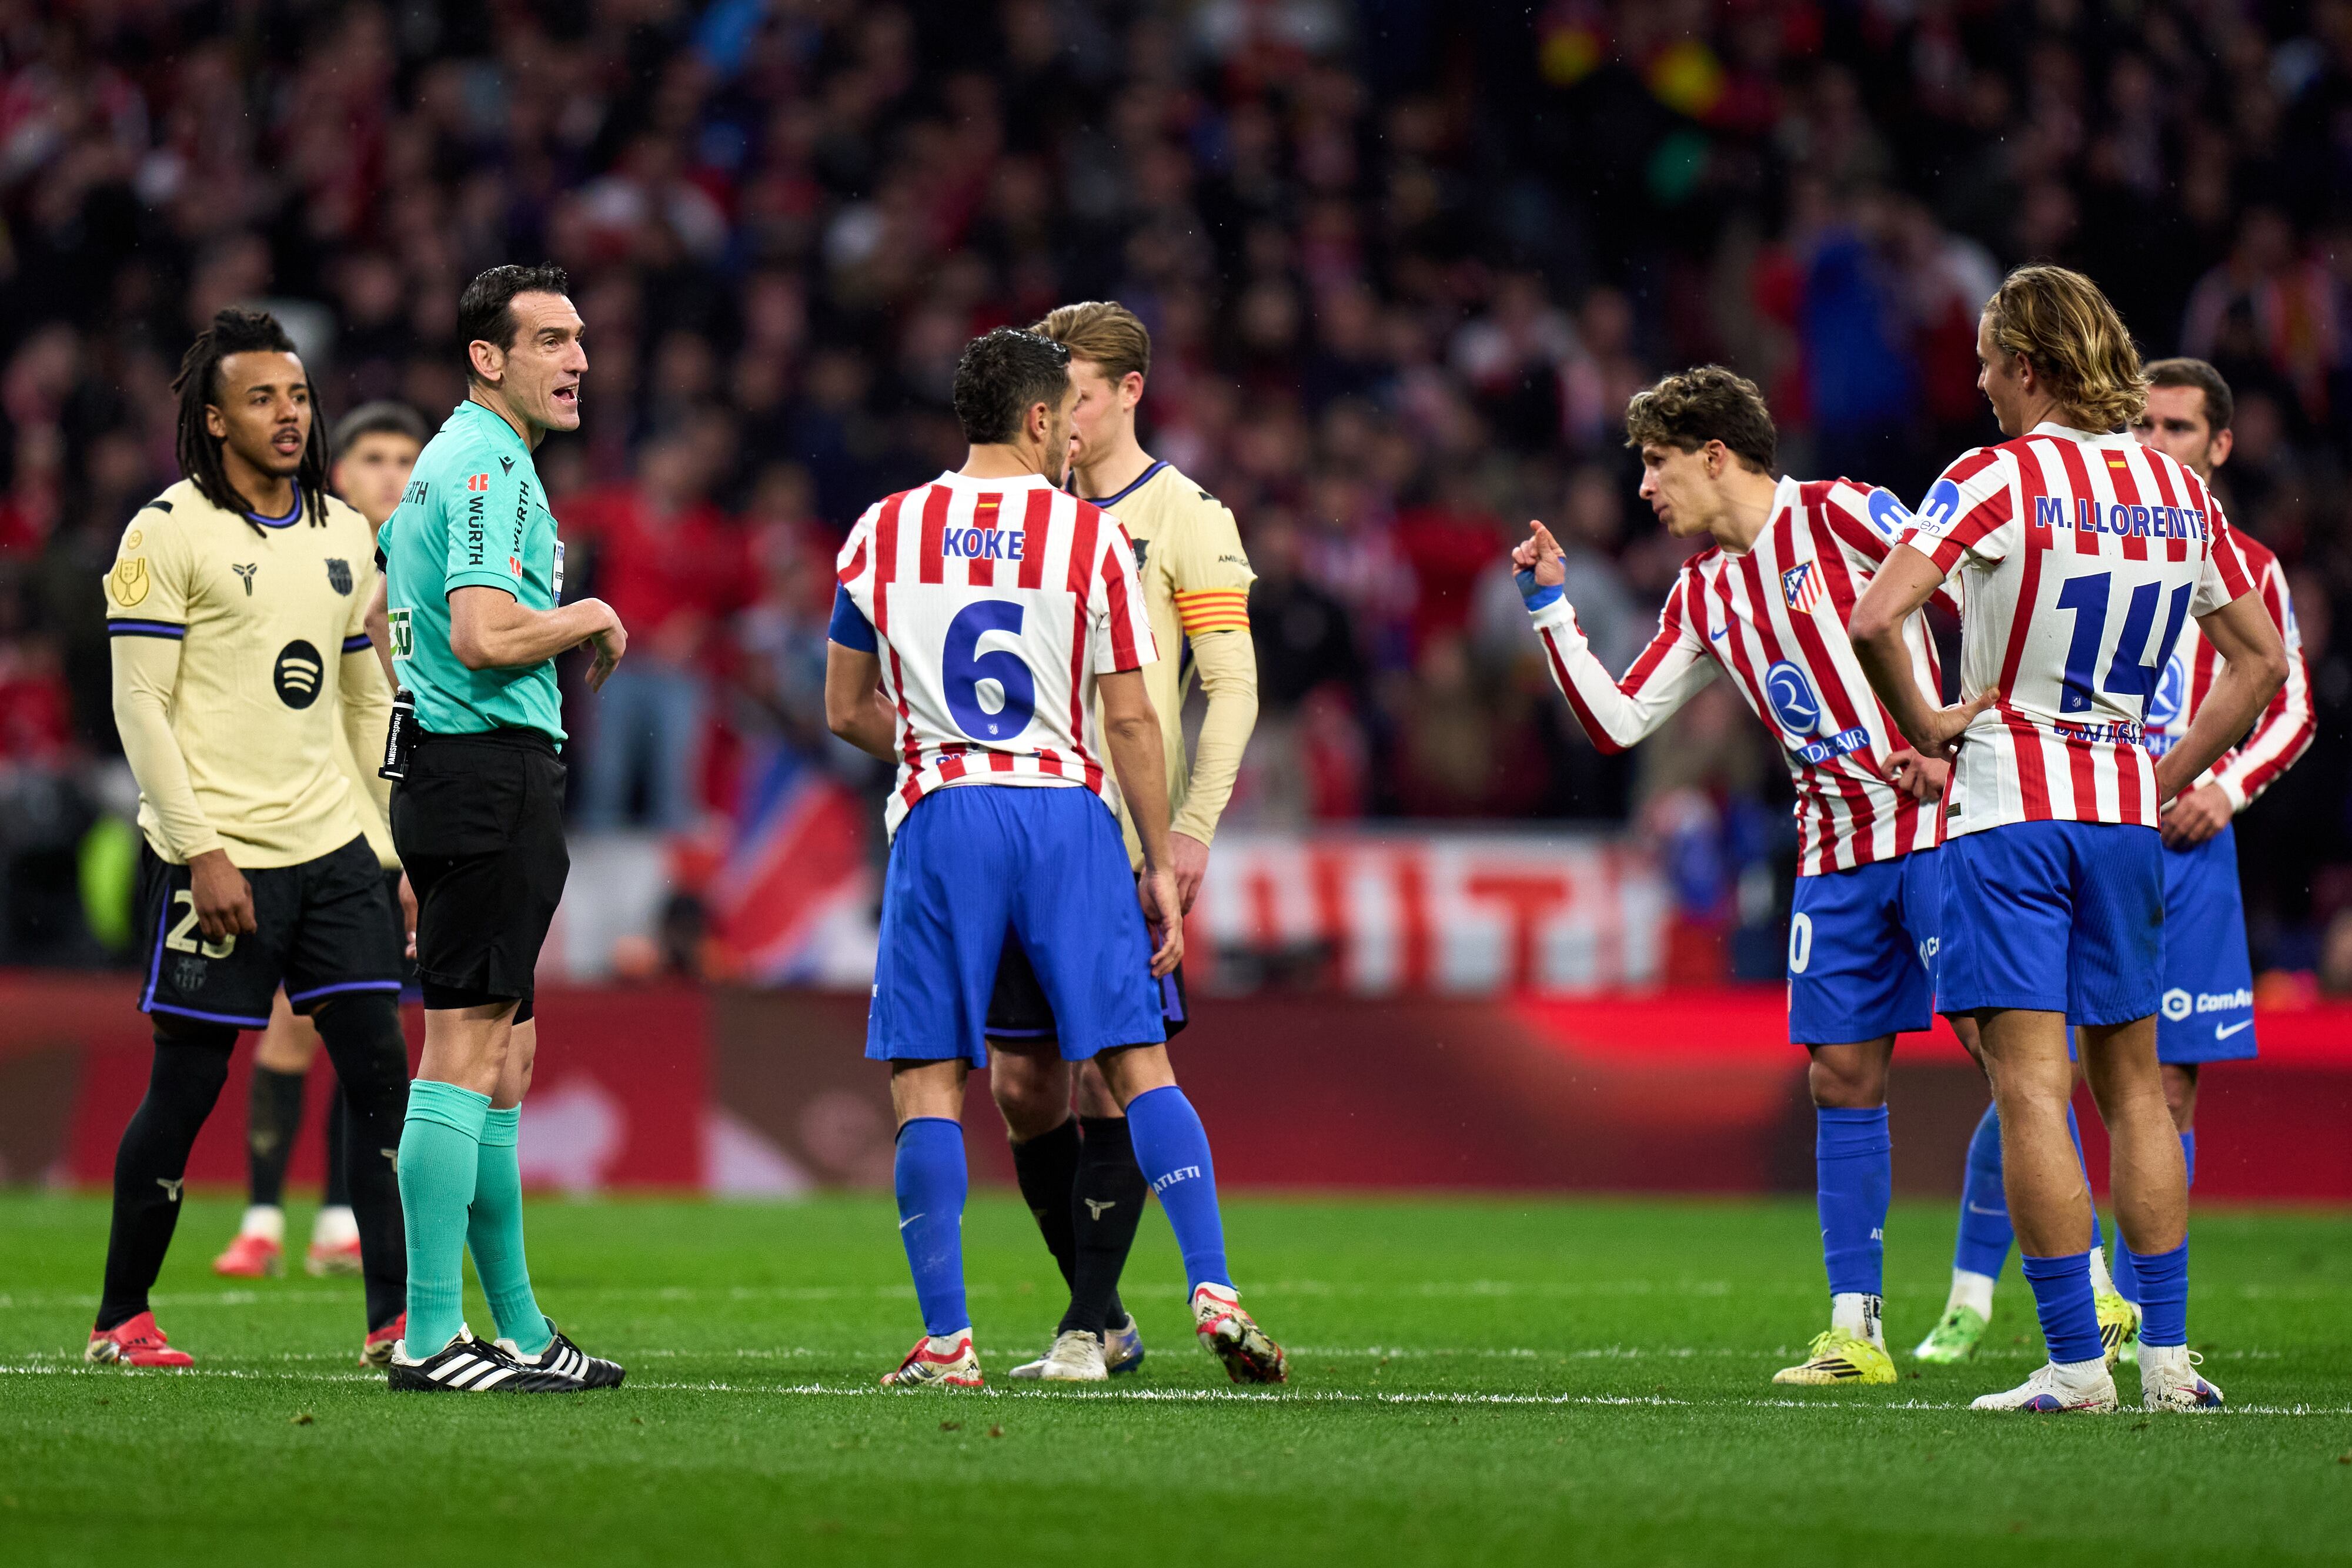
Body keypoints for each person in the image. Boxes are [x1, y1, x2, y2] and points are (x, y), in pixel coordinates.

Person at [1511, 364, 2087, 1386]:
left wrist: (1956, 735)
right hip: (1833, 856)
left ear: (1715, 456)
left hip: (1938, 827)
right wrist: (1552, 610)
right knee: (1840, 1077)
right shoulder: (1702, 591)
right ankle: (1855, 1334)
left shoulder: (1845, 513)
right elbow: (1618, 722)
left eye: (1657, 462)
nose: (1645, 487)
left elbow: (1986, 592)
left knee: (2010, 1058)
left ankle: (2096, 1299)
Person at [1847, 265, 2286, 1413]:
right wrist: (2162, 776)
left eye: (1990, 361)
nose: (1981, 382)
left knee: (2032, 1089)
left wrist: (1924, 719)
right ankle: (2167, 1362)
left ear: (2030, 367)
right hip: (2123, 822)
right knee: (2137, 1091)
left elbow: (1875, 613)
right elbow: (2261, 662)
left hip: (2011, 813)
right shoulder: (2177, 491)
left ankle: (2077, 1367)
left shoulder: (1991, 477)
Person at [823, 326, 1286, 1389]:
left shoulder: (882, 529)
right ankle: (1212, 1287)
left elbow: (845, 708)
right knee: (1135, 1062)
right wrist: (1161, 863)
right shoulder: (1092, 538)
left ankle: (950, 1343)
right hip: (1069, 813)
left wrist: (939, 748)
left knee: (929, 1080)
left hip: (944, 811)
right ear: (1040, 418)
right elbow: (1132, 720)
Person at [85, 309, 414, 1369]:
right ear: (216, 418)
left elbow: (365, 703)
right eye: (263, 398)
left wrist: (397, 842)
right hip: (217, 854)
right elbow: (140, 707)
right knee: (187, 1089)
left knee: (382, 1081)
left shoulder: (345, 532)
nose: (289, 415)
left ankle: (396, 1324)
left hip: (335, 853)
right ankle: (121, 1317)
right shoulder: (166, 531)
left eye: (299, 396)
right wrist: (201, 850)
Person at [988, 300, 1260, 1383]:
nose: (1060, 416)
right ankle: (1099, 1316)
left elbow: (1231, 687)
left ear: (1130, 393)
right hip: (1011, 821)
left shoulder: (1187, 515)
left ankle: (1090, 1325)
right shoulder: (1015, 511)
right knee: (1022, 1087)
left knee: (1110, 1076)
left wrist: (1187, 831)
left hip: (1111, 832)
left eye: (1081, 396)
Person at [373, 264, 629, 1393]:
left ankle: (519, 1329)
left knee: (508, 1058)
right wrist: (589, 614)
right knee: (466, 1052)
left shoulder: (456, 461)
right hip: (485, 772)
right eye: (552, 341)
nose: (579, 360)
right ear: (489, 358)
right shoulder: (485, 463)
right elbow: (480, 634)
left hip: (464, 771)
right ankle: (430, 1336)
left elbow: (391, 618)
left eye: (579, 339)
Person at [215, 402, 426, 1281]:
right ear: (339, 475)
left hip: (391, 834)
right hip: (305, 827)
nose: (392, 475)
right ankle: (263, 1215)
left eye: (407, 460)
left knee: (370, 1030)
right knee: (290, 1024)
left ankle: (340, 1218)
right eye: (375, 458)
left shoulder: (432, 570)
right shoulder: (313, 566)